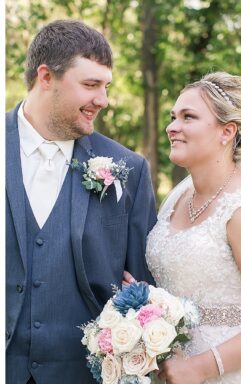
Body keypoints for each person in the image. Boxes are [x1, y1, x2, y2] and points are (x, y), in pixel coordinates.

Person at [5, 20, 157, 383]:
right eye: (90, 85)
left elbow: (143, 289)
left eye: (105, 87)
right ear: (46, 77)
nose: (102, 100)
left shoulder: (128, 169)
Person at [138, 72, 241, 383]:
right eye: (173, 117)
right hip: (169, 368)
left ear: (226, 132)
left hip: (227, 372)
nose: (172, 127)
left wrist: (202, 367)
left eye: (188, 117)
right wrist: (140, 297)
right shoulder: (180, 197)